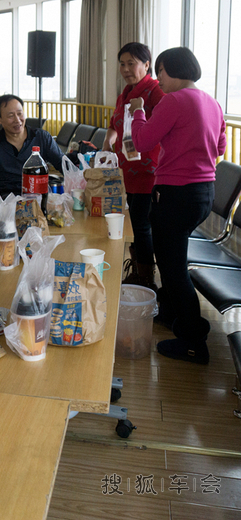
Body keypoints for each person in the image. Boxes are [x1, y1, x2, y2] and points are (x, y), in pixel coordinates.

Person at [130, 47, 226, 364]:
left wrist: (139, 112)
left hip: (176, 194)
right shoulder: (212, 102)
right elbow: (221, 147)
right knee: (172, 258)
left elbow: (142, 142)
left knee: (173, 269)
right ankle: (172, 313)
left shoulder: (174, 100)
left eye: (160, 73)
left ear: (170, 70)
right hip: (203, 193)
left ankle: (192, 340)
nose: (159, 81)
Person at [102, 42, 164, 290]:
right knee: (134, 225)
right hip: (126, 170)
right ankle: (138, 271)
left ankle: (146, 279)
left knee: (141, 225)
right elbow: (114, 125)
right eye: (122, 64)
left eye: (132, 63)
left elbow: (166, 125)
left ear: (146, 65)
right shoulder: (125, 93)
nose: (126, 69)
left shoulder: (155, 91)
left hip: (148, 171)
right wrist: (107, 145)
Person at [0, 94, 63, 197]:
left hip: (37, 196)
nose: (17, 120)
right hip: (5, 199)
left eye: (19, 113)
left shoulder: (42, 137)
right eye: (10, 116)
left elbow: (62, 163)